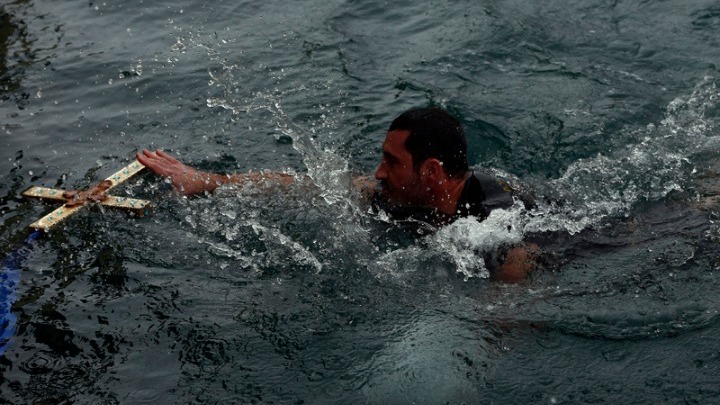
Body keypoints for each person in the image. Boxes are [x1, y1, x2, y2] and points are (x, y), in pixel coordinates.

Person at [137, 107, 539, 282]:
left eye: (391, 162)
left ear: (431, 171)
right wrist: (205, 181)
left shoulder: (498, 224)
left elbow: (512, 300)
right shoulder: (396, 194)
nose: (379, 173)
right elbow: (310, 186)